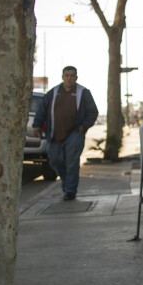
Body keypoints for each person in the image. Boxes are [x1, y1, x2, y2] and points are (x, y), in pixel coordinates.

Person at [33, 66, 98, 201]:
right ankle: (66, 180)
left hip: (75, 133)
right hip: (55, 134)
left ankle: (70, 190)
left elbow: (93, 112)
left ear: (76, 77)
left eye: (72, 75)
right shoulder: (54, 92)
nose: (69, 78)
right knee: (55, 161)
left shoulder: (83, 92)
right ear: (62, 77)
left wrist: (84, 126)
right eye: (67, 75)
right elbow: (42, 109)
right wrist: (37, 125)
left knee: (72, 163)